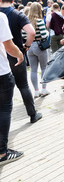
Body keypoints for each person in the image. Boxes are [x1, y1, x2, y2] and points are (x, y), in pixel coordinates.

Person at [0, 0, 42, 123]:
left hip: (2, 56)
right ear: (13, 0)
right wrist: (27, 46)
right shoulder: (17, 14)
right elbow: (31, 32)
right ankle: (32, 114)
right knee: (23, 85)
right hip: (16, 54)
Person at [0, 12, 24, 165]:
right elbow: (8, 46)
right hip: (1, 73)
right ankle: (2, 152)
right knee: (3, 110)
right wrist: (20, 54)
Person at [23, 2, 50, 98]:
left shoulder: (26, 22)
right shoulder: (39, 21)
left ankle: (36, 91)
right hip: (40, 46)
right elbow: (44, 35)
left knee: (33, 70)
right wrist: (47, 32)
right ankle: (44, 89)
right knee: (44, 68)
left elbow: (23, 35)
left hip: (29, 47)